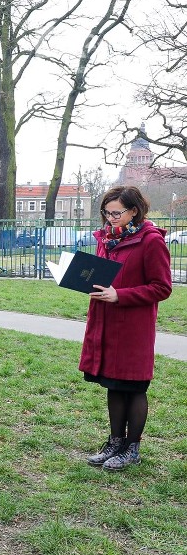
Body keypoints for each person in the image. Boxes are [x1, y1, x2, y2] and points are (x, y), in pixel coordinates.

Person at [81, 186, 171, 471]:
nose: (110, 219)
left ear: (134, 211)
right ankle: (115, 442)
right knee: (113, 384)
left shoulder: (151, 241)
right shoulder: (107, 239)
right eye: (106, 213)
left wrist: (120, 295)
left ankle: (132, 447)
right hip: (106, 322)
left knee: (133, 386)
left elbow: (162, 287)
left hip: (133, 327)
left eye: (117, 213)